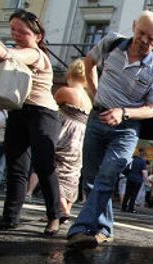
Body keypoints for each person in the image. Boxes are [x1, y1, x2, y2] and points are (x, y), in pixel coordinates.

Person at [67, 11, 153, 248]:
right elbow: (88, 63)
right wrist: (95, 94)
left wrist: (123, 112)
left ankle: (80, 228)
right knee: (91, 178)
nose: (144, 40)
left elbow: (152, 109)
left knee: (108, 174)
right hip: (97, 118)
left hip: (127, 128)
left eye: (151, 39)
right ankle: (105, 227)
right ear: (134, 26)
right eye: (141, 33)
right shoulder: (111, 43)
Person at [0, 10, 62, 235]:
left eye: (22, 31)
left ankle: (56, 216)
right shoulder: (18, 51)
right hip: (18, 111)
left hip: (43, 113)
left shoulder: (34, 54)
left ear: (37, 36)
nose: (15, 34)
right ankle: (9, 218)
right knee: (16, 168)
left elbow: (0, 52)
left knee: (44, 165)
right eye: (13, 30)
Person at [53, 58, 92, 223]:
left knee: (55, 170)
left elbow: (51, 108)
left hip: (65, 133)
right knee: (72, 173)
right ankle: (66, 209)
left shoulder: (65, 91)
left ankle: (61, 209)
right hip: (80, 139)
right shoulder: (88, 99)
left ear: (70, 73)